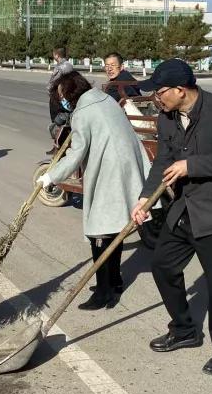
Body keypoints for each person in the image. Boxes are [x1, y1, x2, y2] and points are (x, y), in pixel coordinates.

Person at [130, 58, 212, 375]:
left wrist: (191, 166)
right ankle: (184, 331)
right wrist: (145, 199)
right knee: (162, 265)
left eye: (160, 92)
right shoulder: (167, 118)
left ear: (180, 90)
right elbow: (163, 162)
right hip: (184, 209)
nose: (156, 98)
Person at [38, 71, 148, 310]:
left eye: (62, 96)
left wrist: (51, 176)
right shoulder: (104, 99)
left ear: (71, 93)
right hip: (126, 168)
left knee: (98, 232)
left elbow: (75, 154)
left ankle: (104, 292)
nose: (62, 101)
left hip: (110, 173)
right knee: (114, 228)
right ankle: (114, 280)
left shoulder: (83, 113)